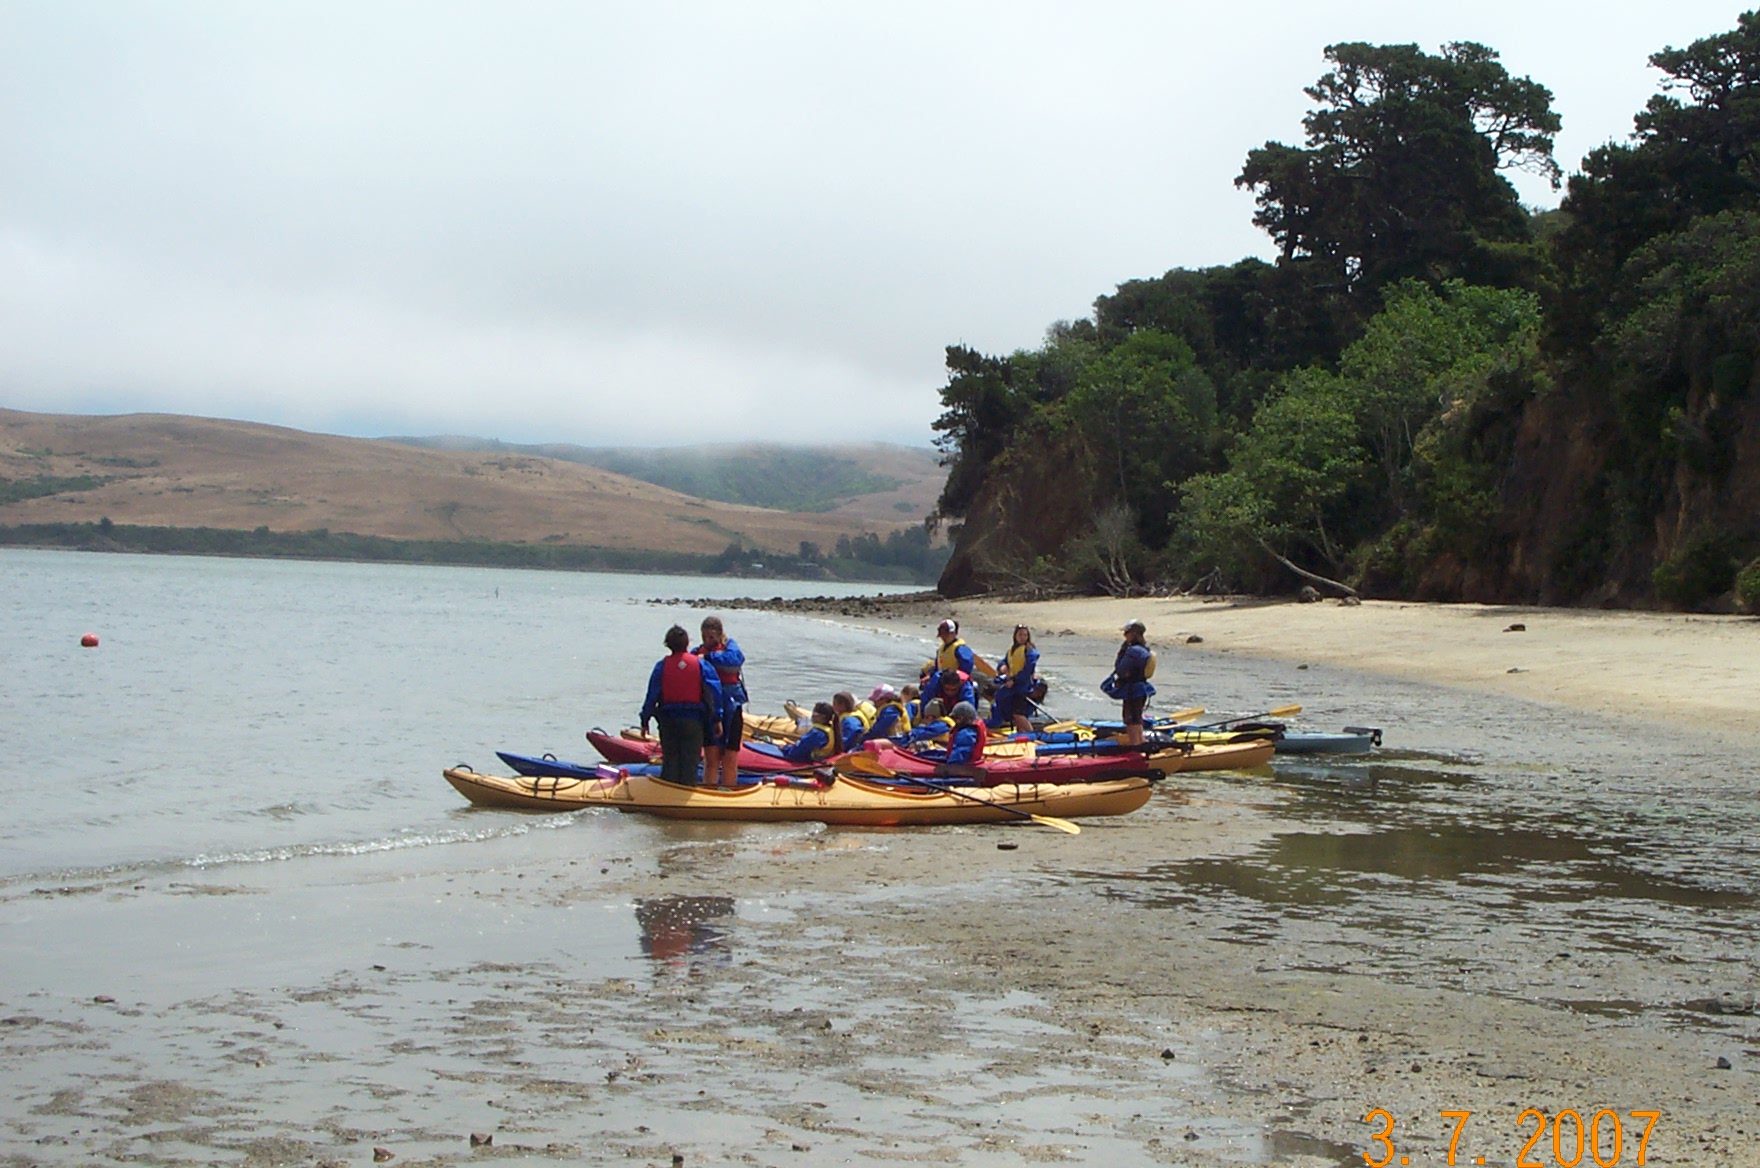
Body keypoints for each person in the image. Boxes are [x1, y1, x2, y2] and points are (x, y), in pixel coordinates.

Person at [640, 625, 723, 785]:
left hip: (669, 722)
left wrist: (645, 720)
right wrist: (716, 718)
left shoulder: (661, 666)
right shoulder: (701, 665)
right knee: (690, 762)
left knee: (670, 760)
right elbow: (714, 693)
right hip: (693, 723)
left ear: (668, 645)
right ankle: (685, 796)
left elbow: (651, 696)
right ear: (686, 644)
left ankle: (668, 795)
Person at [693, 616, 747, 789]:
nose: (707, 641)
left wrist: (709, 657)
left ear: (719, 634)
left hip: (732, 706)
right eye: (704, 637)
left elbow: (735, 660)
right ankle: (710, 793)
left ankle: (729, 793)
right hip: (710, 709)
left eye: (711, 637)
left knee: (730, 758)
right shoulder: (697, 652)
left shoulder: (730, 647)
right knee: (711, 759)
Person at [1100, 618, 1156, 746]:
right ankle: (1140, 742)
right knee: (1137, 718)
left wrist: (1121, 653)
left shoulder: (1134, 651)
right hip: (1140, 689)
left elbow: (1120, 670)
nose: (1125, 636)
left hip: (1133, 690)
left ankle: (1136, 745)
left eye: (1127, 633)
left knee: (1131, 720)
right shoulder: (1144, 649)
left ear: (1135, 634)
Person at [989, 624, 1040, 732]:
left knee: (1018, 714)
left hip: (1024, 687)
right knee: (1012, 711)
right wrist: (1002, 666)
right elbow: (1004, 661)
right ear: (1015, 636)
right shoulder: (1012, 650)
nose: (1023, 637)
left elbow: (1028, 669)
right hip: (1013, 686)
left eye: (1025, 635)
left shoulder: (1029, 650)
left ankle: (1032, 735)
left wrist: (1014, 680)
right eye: (1020, 634)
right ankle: (1021, 733)